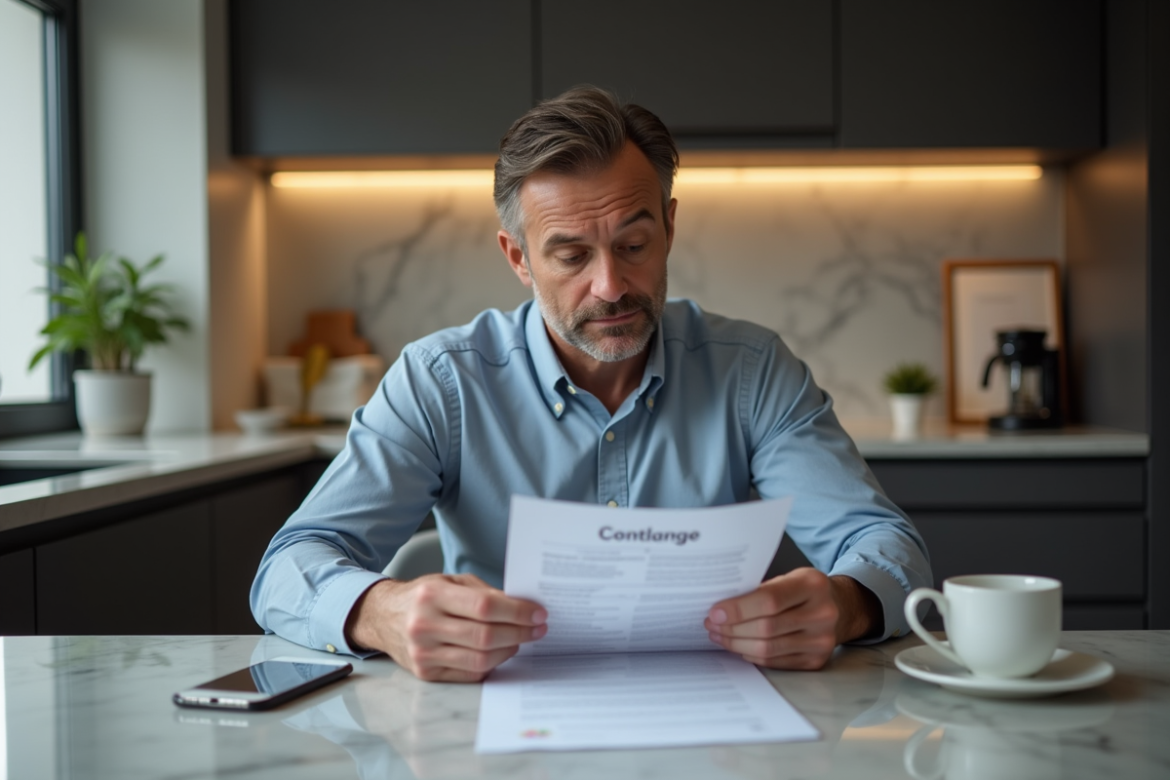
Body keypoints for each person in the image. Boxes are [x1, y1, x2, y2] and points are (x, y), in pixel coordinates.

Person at [251, 86, 931, 682]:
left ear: (668, 225)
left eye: (633, 246)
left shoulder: (751, 371)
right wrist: (379, 612)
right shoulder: (441, 381)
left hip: (715, 720)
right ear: (518, 257)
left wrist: (846, 605)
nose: (610, 287)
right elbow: (289, 565)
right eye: (571, 255)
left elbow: (887, 548)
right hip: (496, 720)